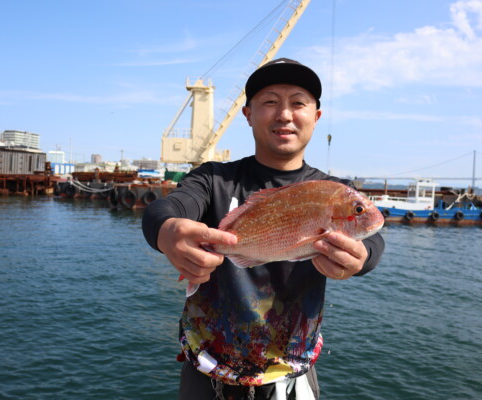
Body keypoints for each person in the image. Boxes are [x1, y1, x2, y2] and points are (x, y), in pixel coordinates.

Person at [142, 58, 385, 400]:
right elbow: (166, 209)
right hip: (207, 372)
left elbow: (374, 245)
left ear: (316, 116)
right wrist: (166, 231)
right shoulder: (213, 179)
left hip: (292, 377)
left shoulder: (333, 189)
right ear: (247, 114)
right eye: (270, 102)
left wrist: (362, 258)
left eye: (298, 103)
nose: (284, 114)